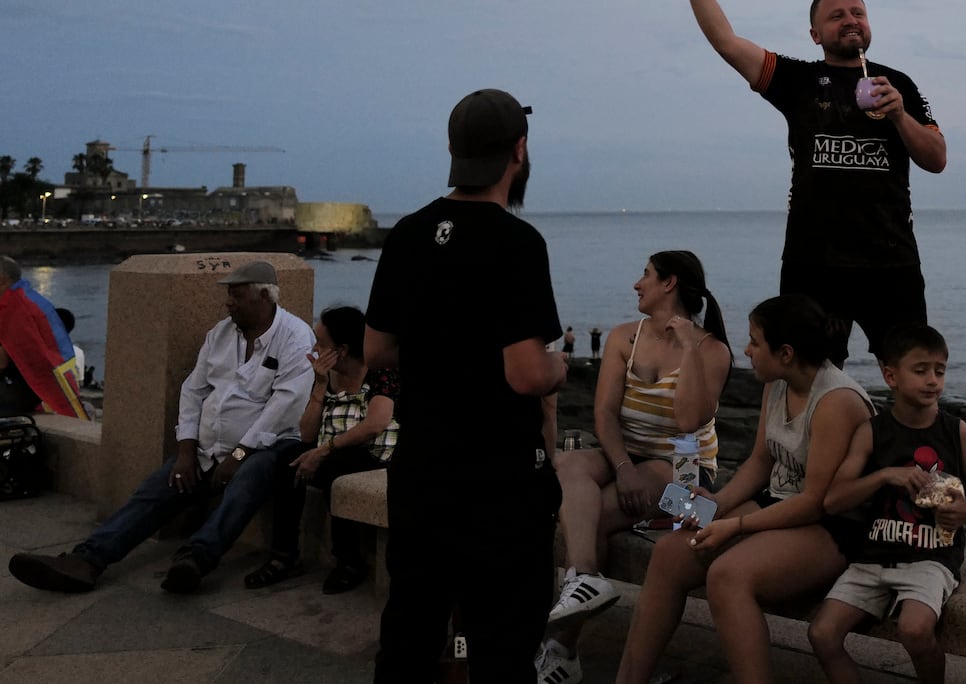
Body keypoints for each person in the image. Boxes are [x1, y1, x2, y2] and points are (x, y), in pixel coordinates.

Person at [364, 88, 568, 683]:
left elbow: (377, 350)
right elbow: (527, 372)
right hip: (500, 482)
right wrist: (561, 368)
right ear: (519, 152)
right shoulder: (517, 243)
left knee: (409, 630)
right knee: (503, 643)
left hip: (421, 471)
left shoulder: (406, 233)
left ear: (452, 152)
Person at [668, 0, 946, 360]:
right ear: (815, 34)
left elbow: (937, 159)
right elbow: (726, 41)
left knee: (913, 371)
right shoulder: (796, 81)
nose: (850, 20)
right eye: (836, 16)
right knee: (805, 380)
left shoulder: (899, 83)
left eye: (858, 12)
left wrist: (898, 115)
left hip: (892, 263)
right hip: (813, 263)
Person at [8, 260, 314, 593]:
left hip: (268, 446)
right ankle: (87, 560)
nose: (228, 302)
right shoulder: (221, 332)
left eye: (236, 295)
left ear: (265, 297)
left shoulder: (295, 336)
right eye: (228, 294)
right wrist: (186, 450)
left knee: (246, 483)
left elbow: (284, 406)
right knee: (154, 491)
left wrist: (239, 454)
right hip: (208, 448)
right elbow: (193, 389)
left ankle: (196, 559)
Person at [614, 294, 873, 684]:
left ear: (785, 352)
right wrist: (717, 502)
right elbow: (759, 462)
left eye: (754, 341)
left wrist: (732, 527)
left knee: (729, 574)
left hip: (832, 524)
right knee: (670, 552)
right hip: (778, 503)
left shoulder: (836, 402)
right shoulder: (778, 384)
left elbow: (814, 503)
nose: (747, 350)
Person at [538, 250, 734, 684]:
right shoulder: (624, 337)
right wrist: (623, 467)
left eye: (645, 275)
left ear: (670, 283)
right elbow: (604, 413)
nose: (636, 284)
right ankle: (585, 578)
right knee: (568, 463)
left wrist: (687, 348)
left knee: (590, 517)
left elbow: (687, 425)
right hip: (624, 457)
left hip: (685, 476)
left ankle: (561, 651)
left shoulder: (712, 350)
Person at [809, 324, 966, 684]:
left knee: (914, 630)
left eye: (940, 371)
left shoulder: (957, 431)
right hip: (874, 556)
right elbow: (833, 500)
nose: (932, 381)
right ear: (890, 375)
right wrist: (884, 475)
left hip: (931, 557)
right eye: (920, 370)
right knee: (822, 634)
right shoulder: (872, 432)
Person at [244, 304, 399, 595]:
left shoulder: (381, 372)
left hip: (377, 457)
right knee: (286, 459)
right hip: (334, 451)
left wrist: (324, 450)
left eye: (320, 344)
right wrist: (319, 386)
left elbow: (375, 424)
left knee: (335, 467)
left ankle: (349, 561)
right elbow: (306, 434)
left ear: (340, 350)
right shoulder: (328, 377)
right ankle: (283, 554)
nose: (314, 349)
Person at [0, 255, 87, 418]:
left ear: (3, 281)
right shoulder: (29, 299)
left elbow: (2, 361)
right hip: (39, 389)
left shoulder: (13, 311)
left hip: (22, 390)